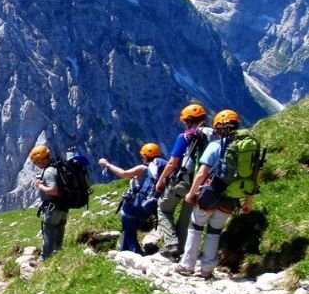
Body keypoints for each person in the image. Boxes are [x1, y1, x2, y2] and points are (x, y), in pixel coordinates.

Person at [176, 109, 253, 279]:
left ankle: (187, 265)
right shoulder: (246, 149)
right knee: (214, 232)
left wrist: (191, 193)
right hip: (232, 197)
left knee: (196, 227)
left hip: (210, 194)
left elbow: (202, 173)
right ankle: (207, 270)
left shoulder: (215, 145)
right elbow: (254, 177)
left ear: (219, 127)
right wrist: (248, 201)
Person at [154, 104, 212, 261]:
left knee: (163, 208)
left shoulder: (186, 136)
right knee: (187, 217)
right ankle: (180, 250)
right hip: (202, 185)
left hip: (183, 181)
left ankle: (172, 244)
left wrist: (160, 182)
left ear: (188, 121)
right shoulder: (214, 136)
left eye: (185, 121)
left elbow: (172, 162)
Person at [99, 143, 167, 255]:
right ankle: (124, 251)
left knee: (129, 230)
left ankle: (136, 254)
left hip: (132, 205)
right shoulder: (161, 171)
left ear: (145, 156)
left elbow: (124, 173)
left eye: (142, 156)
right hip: (147, 208)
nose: (141, 158)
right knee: (129, 230)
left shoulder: (143, 168)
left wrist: (107, 164)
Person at [30, 145, 66, 260]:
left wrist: (40, 186)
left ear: (41, 160)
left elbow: (53, 190)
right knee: (59, 233)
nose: (36, 164)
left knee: (48, 233)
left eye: (36, 162)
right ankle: (58, 258)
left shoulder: (49, 172)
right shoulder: (56, 167)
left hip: (53, 208)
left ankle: (45, 260)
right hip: (63, 207)